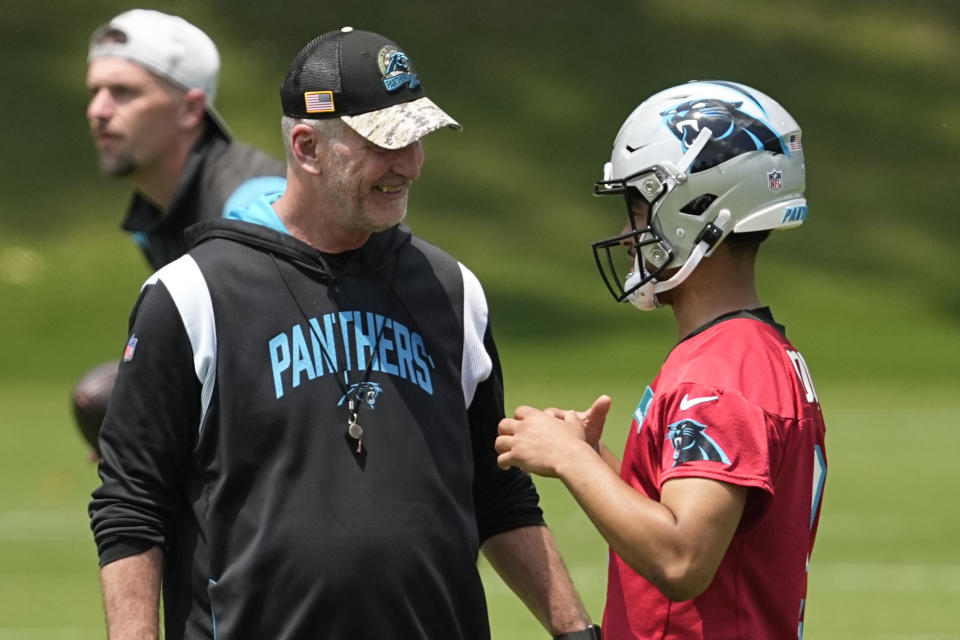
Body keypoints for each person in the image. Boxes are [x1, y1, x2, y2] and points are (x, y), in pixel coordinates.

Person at [89, 27, 599, 640]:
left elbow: (498, 494)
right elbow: (131, 507)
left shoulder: (451, 290)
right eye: (385, 144)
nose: (409, 166)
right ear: (306, 146)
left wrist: (576, 631)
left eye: (416, 140)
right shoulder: (192, 294)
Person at [496, 80, 827, 639]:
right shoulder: (749, 353)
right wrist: (597, 460)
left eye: (638, 207)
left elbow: (681, 558)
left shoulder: (721, 374)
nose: (628, 235)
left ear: (696, 206)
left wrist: (569, 464)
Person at [74, 9, 286, 457]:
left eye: (124, 92)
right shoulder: (155, 218)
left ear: (191, 108)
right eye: (96, 91)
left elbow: (304, 361)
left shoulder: (255, 210)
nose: (98, 110)